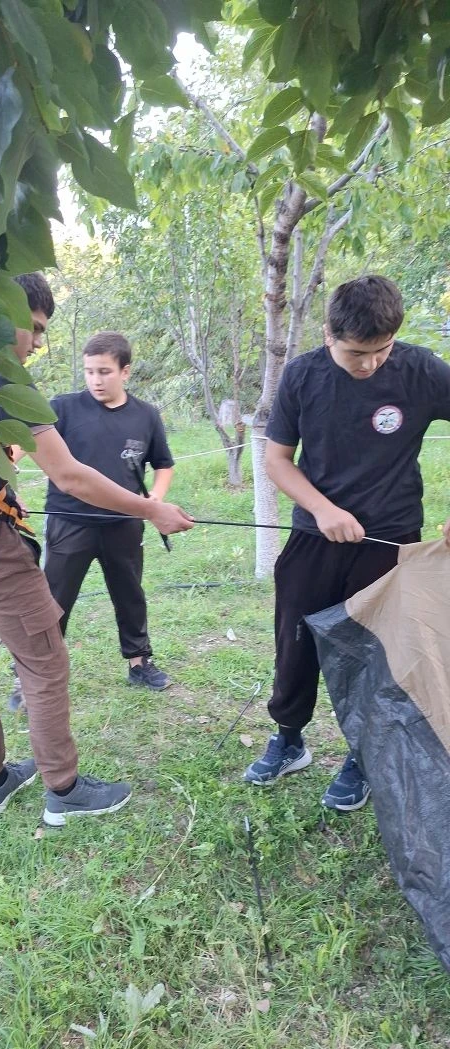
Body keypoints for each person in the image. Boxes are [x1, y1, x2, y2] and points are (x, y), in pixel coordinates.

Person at [0, 273, 194, 827]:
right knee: (44, 662)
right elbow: (71, 477)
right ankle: (63, 789)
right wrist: (151, 508)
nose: (37, 343)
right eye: (33, 328)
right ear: (2, 312)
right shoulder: (3, 381)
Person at [244, 275, 450, 810]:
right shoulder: (303, 376)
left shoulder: (421, 370)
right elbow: (276, 460)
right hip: (315, 536)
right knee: (296, 642)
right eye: (358, 353)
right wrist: (323, 509)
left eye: (382, 351)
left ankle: (362, 756)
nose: (371, 364)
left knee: (375, 654)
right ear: (329, 333)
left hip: (390, 538)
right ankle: (289, 738)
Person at [40, 331, 175, 690]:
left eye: (104, 372)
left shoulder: (146, 415)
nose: (96, 380)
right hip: (70, 522)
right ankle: (34, 675)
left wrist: (155, 501)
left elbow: (163, 464)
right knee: (54, 599)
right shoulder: (62, 408)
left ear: (125, 371)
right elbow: (21, 448)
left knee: (129, 593)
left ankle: (139, 662)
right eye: (89, 372)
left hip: (125, 524)